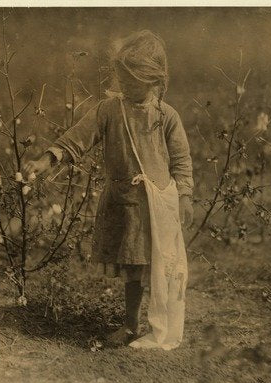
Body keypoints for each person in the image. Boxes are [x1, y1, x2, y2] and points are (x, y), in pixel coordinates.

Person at [23, 30, 194, 349]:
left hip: (156, 206)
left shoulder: (166, 117)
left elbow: (181, 161)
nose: (126, 86)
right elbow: (78, 137)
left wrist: (184, 196)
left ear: (154, 80)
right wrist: (48, 158)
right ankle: (131, 324)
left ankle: (162, 321)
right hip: (124, 203)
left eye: (135, 81)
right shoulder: (109, 111)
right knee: (132, 266)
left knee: (160, 265)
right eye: (122, 79)